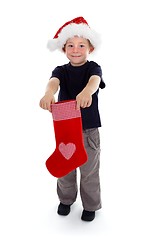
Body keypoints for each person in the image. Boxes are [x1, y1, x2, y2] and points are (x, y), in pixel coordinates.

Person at [39, 16, 105, 222]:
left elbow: (95, 82)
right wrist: (49, 94)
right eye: (70, 45)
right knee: (65, 168)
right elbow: (53, 83)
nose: (75, 49)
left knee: (89, 171)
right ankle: (66, 200)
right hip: (66, 129)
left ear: (90, 49)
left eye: (81, 45)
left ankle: (91, 205)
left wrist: (87, 91)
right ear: (63, 48)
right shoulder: (61, 70)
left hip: (88, 130)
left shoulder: (93, 68)